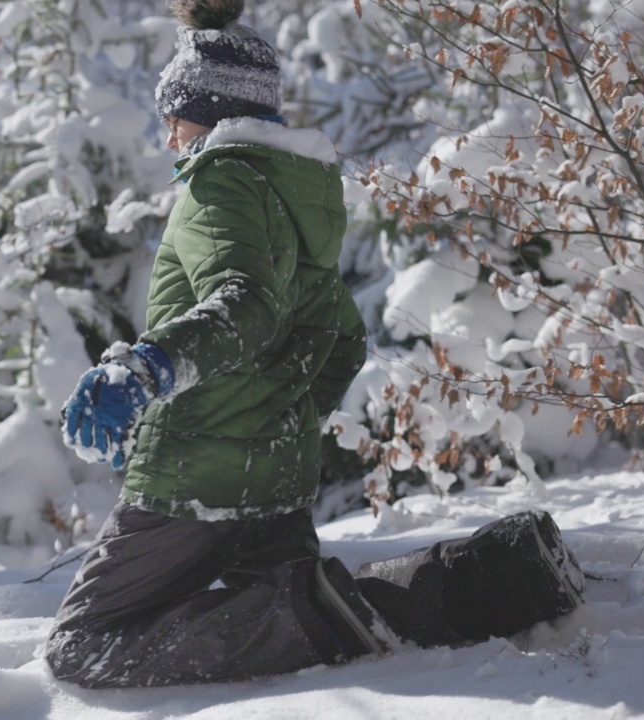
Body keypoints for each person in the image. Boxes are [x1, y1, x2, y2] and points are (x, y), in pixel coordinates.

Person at [44, 0, 585, 688]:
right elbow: (342, 340)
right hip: (278, 475)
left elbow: (246, 306)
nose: (167, 134)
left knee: (82, 647)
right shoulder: (302, 194)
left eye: (172, 116)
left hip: (196, 476)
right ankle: (499, 576)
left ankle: (307, 617)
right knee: (322, 609)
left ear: (201, 113)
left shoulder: (217, 185)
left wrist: (147, 371)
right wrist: (282, 418)